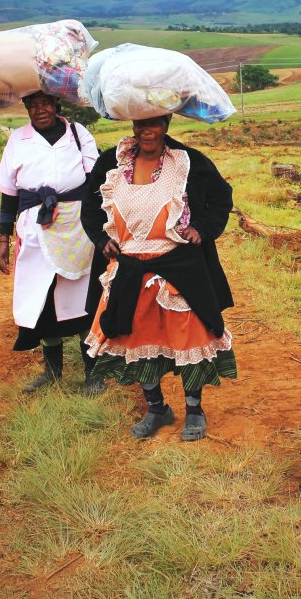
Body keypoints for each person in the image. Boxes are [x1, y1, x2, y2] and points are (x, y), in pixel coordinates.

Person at [80, 115, 236, 441]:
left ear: (166, 123)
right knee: (134, 337)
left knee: (188, 338)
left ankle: (194, 410)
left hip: (178, 267)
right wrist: (100, 238)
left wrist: (202, 230)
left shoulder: (186, 161)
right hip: (130, 268)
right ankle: (157, 409)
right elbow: (90, 208)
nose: (146, 131)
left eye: (154, 124)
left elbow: (222, 196)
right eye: (140, 124)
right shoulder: (113, 161)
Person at [0, 91, 104, 394]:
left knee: (81, 298)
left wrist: (103, 227)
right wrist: (4, 238)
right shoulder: (18, 139)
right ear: (26, 108)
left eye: (45, 103)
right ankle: (52, 372)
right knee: (42, 299)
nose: (39, 109)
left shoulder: (78, 134)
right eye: (32, 105)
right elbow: (8, 194)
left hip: (76, 228)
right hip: (35, 229)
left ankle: (93, 374)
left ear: (56, 105)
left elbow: (97, 184)